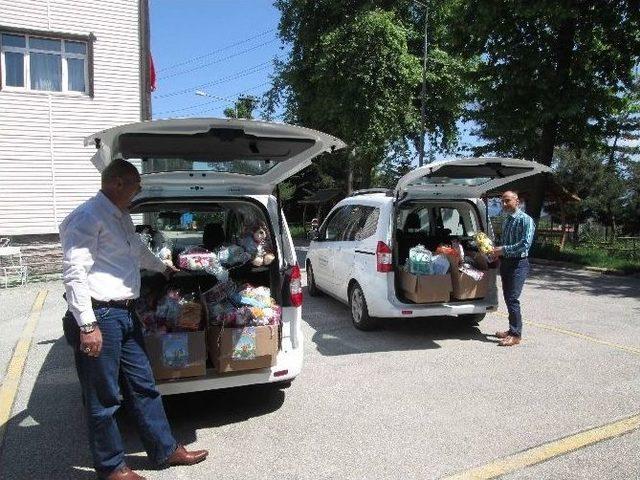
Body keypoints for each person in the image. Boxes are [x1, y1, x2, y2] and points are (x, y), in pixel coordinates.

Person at [60, 159, 208, 480]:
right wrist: (87, 325)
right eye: (136, 185)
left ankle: (165, 450)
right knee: (105, 399)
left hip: (126, 313)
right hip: (100, 316)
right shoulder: (87, 217)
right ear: (117, 184)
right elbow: (74, 274)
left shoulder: (121, 216)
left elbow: (136, 251)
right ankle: (112, 467)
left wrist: (162, 267)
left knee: (144, 386)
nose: (138, 191)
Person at [491, 190, 535, 347]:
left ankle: (516, 335)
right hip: (507, 263)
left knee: (512, 299)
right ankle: (511, 330)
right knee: (508, 298)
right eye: (502, 201)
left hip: (519, 264)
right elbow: (504, 240)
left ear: (517, 201)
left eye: (507, 201)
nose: (504, 204)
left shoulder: (526, 220)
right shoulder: (507, 220)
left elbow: (525, 244)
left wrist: (502, 250)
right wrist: (498, 254)